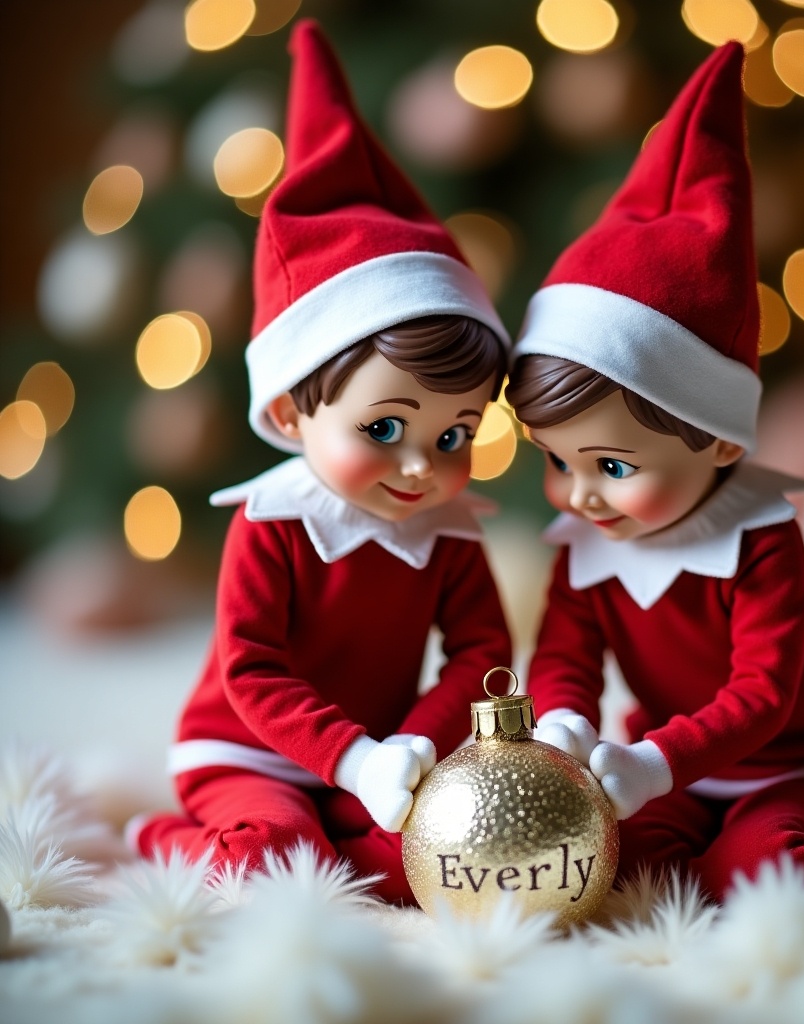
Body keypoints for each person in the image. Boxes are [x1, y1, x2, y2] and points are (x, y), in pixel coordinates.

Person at [506, 42, 804, 900]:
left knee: (766, 875)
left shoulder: (760, 541)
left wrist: (656, 762)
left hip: (792, 769)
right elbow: (564, 652)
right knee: (620, 868)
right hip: (670, 775)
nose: (580, 492)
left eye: (612, 464)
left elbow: (764, 692)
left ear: (721, 442)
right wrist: (570, 721)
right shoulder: (587, 540)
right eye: (555, 459)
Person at [130, 21, 512, 905]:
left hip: (384, 759)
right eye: (383, 428)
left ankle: (342, 824)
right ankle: (163, 836)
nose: (421, 465)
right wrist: (351, 758)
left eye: (454, 434)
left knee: (435, 866)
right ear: (292, 411)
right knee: (276, 860)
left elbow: (482, 653)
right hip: (252, 749)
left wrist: (414, 747)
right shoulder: (274, 523)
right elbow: (252, 669)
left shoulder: (445, 529)